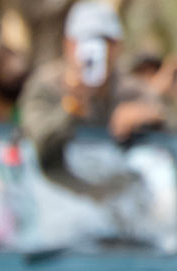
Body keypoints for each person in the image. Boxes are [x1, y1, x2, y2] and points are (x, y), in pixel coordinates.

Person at [19, 1, 167, 169]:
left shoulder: (133, 89)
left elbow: (167, 123)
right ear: (68, 44)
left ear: (118, 45)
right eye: (86, 40)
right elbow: (36, 138)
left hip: (118, 187)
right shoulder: (46, 84)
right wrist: (71, 107)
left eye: (105, 41)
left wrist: (149, 115)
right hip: (56, 188)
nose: (96, 50)